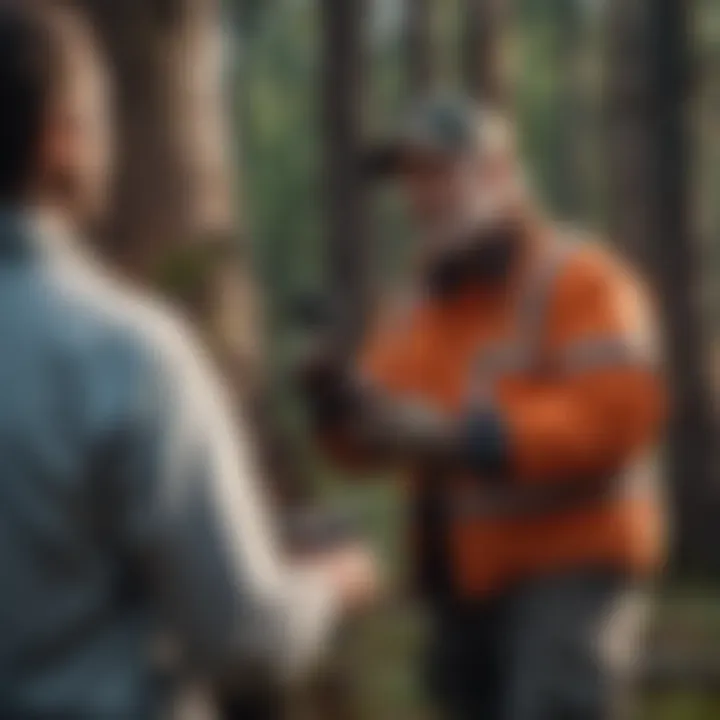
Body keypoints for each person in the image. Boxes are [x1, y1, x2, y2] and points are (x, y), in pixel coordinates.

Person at [0, 3, 378, 717]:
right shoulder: (123, 353)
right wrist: (336, 581)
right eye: (99, 116)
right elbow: (243, 640)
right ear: (61, 139)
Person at [302, 96, 667, 719]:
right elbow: (374, 439)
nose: (420, 194)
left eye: (439, 172)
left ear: (499, 174)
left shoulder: (582, 278)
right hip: (462, 583)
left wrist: (469, 438)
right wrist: (340, 413)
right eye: (410, 178)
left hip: (569, 571)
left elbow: (620, 413)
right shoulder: (417, 302)